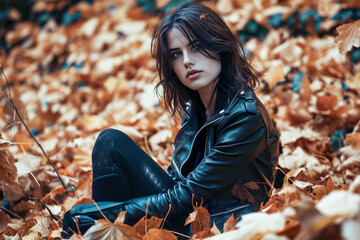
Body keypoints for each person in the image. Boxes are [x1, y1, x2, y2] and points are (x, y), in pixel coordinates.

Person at [62, 2, 280, 238]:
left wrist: (107, 215)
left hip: (215, 226)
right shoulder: (197, 110)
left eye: (195, 47)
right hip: (188, 213)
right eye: (176, 54)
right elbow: (176, 182)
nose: (187, 60)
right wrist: (106, 214)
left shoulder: (246, 117)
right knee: (110, 143)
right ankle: (106, 232)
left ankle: (102, 229)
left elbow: (188, 195)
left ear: (219, 46)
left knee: (89, 214)